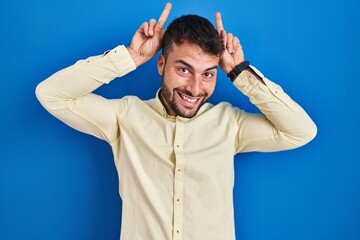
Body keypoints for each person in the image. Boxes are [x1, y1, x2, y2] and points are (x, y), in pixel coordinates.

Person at [35, 2, 317, 240]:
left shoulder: (231, 125)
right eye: (184, 69)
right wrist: (131, 57)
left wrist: (240, 73)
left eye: (208, 73)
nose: (195, 88)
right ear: (161, 65)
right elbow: (52, 95)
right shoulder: (124, 117)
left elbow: (301, 131)